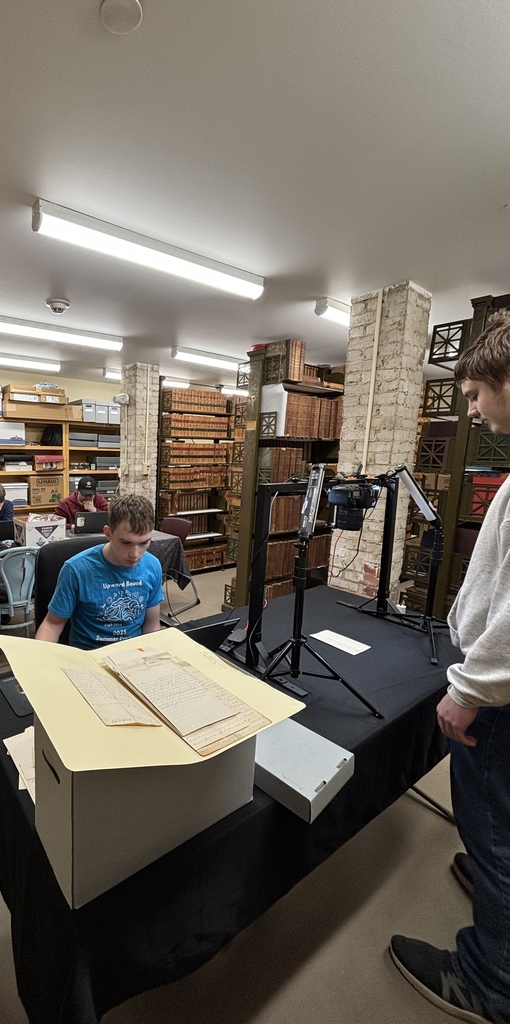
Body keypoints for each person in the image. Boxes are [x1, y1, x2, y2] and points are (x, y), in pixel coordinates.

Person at [390, 313, 510, 1024]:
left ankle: (489, 983)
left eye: (473, 395)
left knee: (494, 827)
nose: (470, 411)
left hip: (498, 698)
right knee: (498, 827)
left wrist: (470, 688)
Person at [35, 493, 163, 649]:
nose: (135, 554)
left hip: (132, 653)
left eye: (144, 543)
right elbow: (52, 625)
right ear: (108, 533)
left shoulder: (152, 566)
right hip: (88, 654)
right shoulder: (76, 569)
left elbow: (152, 627)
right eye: (125, 542)